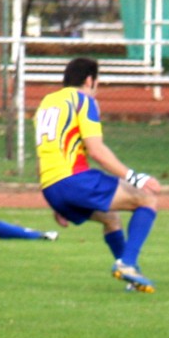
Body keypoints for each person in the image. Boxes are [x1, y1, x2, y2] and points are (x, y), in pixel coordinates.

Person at [34, 57, 160, 293]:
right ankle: (127, 264)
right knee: (147, 198)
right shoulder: (83, 100)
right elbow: (97, 150)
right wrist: (136, 178)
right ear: (90, 80)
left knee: (110, 218)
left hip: (51, 187)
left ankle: (132, 278)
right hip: (74, 179)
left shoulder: (47, 104)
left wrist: (56, 204)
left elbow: (43, 155)